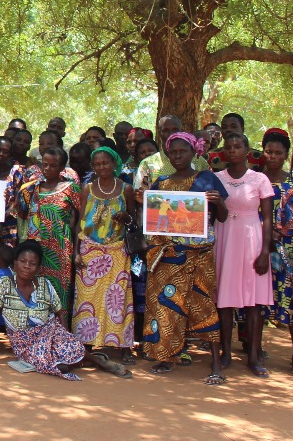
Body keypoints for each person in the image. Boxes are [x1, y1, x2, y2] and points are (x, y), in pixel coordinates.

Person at [0, 240, 125, 380]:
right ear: (15, 264)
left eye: (32, 263)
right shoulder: (1, 285)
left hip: (50, 331)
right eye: (23, 261)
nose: (27, 266)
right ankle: (89, 359)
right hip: (24, 342)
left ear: (38, 267)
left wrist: (65, 337)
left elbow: (59, 313)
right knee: (59, 366)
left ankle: (98, 361)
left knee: (71, 347)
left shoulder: (45, 284)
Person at [142, 131, 229, 384]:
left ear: (194, 153)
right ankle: (167, 356)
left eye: (183, 151)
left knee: (203, 305)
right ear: (168, 154)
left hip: (198, 256)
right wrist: (143, 203)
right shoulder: (161, 183)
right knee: (166, 305)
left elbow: (222, 217)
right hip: (167, 256)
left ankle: (215, 363)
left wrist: (219, 203)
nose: (178, 156)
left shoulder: (206, 179)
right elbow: (153, 221)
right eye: (174, 152)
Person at [213, 132, 274, 378]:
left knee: (254, 303)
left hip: (252, 239)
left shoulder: (260, 179)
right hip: (225, 238)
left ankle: (253, 356)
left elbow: (267, 217)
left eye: (238, 146)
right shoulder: (216, 179)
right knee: (225, 301)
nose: (233, 150)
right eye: (228, 147)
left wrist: (265, 251)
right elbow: (217, 216)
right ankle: (226, 353)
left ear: (247, 151)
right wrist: (217, 202)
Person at [72, 146, 135, 361]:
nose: (101, 167)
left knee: (119, 299)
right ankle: (86, 344)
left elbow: (134, 221)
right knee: (87, 298)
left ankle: (124, 345)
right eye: (97, 164)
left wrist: (125, 216)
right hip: (90, 248)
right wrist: (76, 252)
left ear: (114, 164)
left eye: (105, 163)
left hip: (117, 249)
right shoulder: (87, 189)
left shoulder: (125, 189)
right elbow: (80, 223)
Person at [14, 147, 80, 312]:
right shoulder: (29, 189)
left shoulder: (71, 189)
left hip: (60, 249)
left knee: (59, 289)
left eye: (53, 165)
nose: (48, 169)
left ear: (62, 167)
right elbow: (20, 219)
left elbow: (81, 219)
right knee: (33, 287)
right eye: (45, 165)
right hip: (34, 249)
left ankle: (59, 330)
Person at [262, 129, 293, 378]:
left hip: (288, 251)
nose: (272, 156)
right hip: (259, 249)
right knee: (257, 301)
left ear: (286, 155)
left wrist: (280, 233)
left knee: (292, 302)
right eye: (269, 152)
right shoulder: (255, 180)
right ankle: (254, 351)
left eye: (278, 153)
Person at [134, 115, 206, 191]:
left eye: (175, 130)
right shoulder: (147, 164)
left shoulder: (199, 161)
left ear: (181, 131)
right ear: (159, 133)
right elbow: (140, 194)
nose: (171, 134)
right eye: (166, 130)